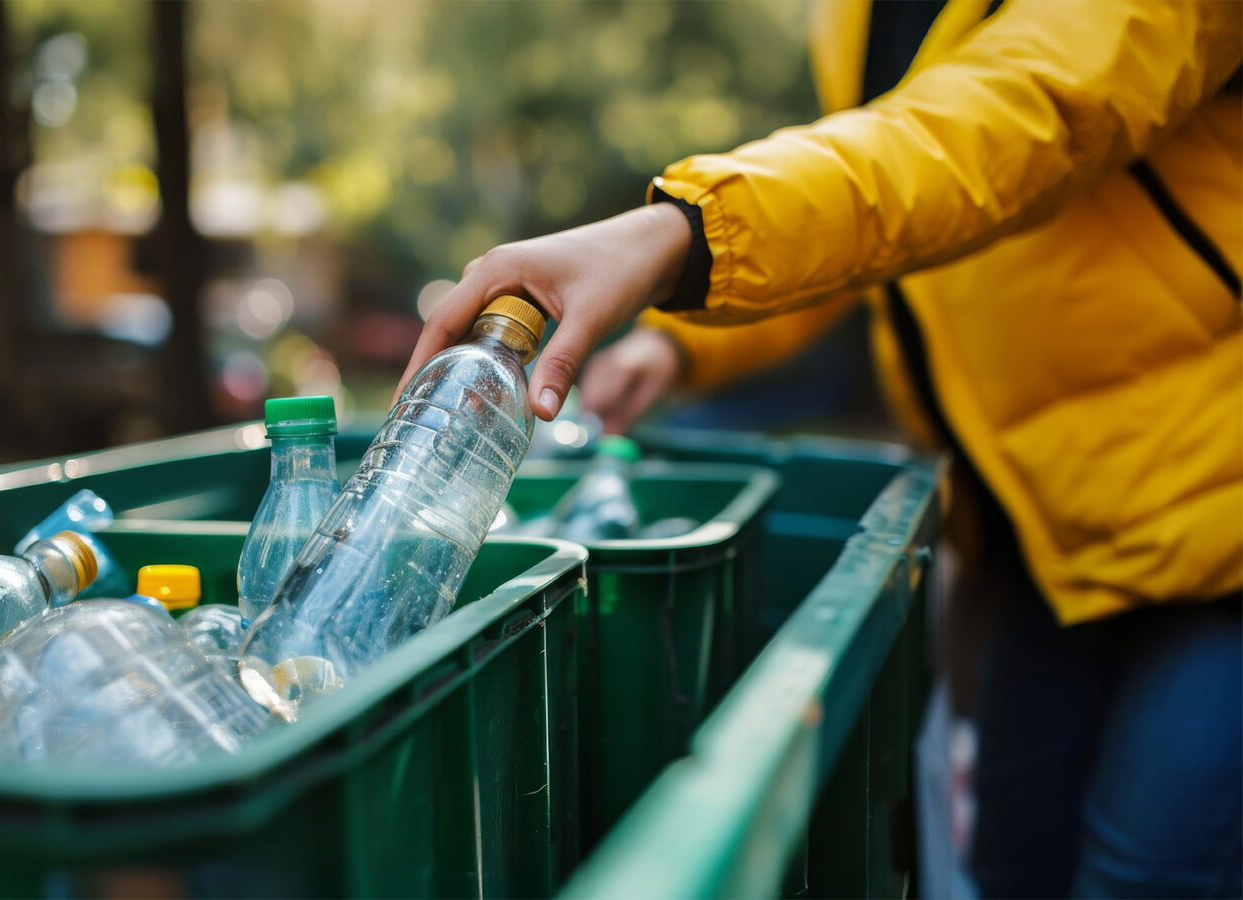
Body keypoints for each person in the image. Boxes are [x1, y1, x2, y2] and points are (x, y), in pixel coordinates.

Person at [399, 1, 1242, 896]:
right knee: (1014, 860)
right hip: (1056, 531)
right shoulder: (855, 13)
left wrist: (681, 233)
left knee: (1148, 872)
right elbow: (885, 222)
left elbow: (997, 129)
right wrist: (684, 343)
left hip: (1218, 508)